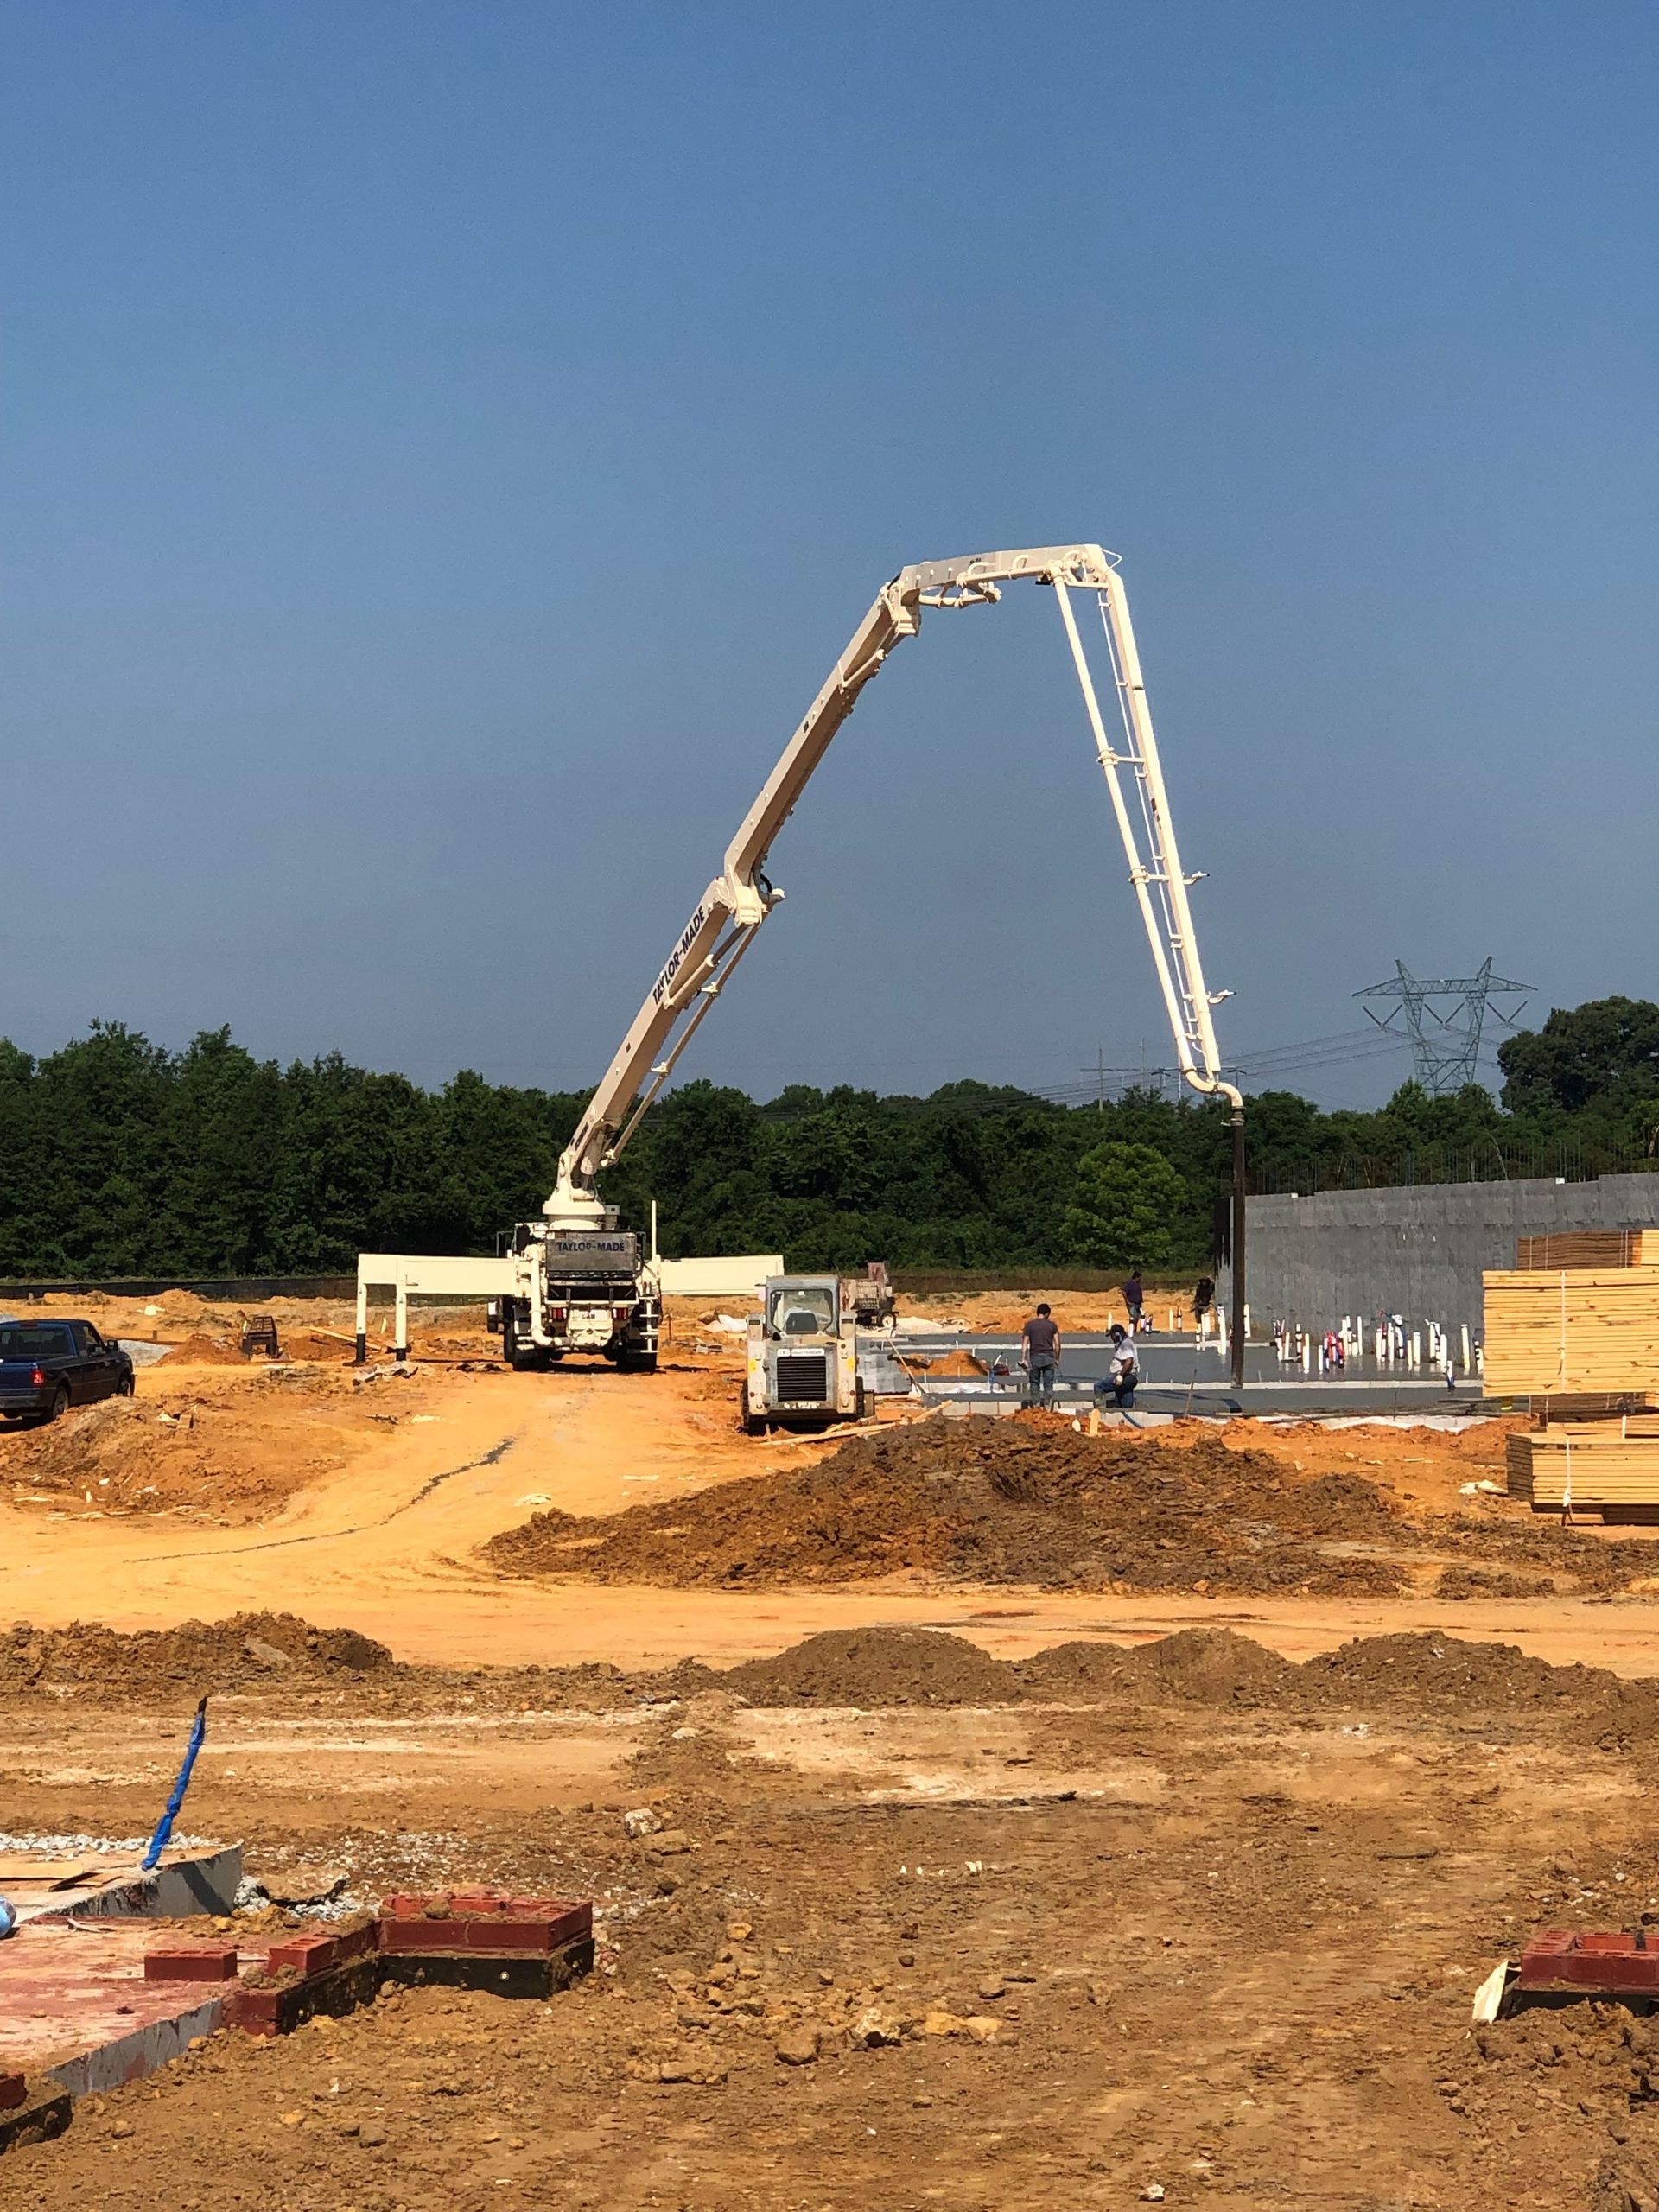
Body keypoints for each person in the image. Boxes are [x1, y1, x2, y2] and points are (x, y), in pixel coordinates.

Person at [1020, 1302, 1061, 1405]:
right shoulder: (1052, 1325)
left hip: (1035, 1357)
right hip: (1049, 1358)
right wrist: (1057, 1358)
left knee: (1034, 1383)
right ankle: (1047, 1406)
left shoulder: (1029, 1325)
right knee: (1048, 1384)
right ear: (1047, 1314)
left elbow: (1025, 1343)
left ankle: (1036, 1405)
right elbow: (1057, 1344)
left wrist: (1023, 1359)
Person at [1096, 1322, 1139, 1408]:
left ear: (1117, 1335)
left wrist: (1120, 1376)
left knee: (1099, 1386)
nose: (1111, 1339)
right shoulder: (1123, 1343)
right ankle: (1125, 1406)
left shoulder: (1126, 1344)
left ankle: (1100, 1410)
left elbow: (1129, 1361)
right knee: (1126, 1405)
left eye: (1112, 1336)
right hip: (1129, 1378)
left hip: (1126, 1377)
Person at [1121, 1268, 1145, 1334]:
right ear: (1136, 1277)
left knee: (1137, 1318)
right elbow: (1124, 1292)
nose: (1140, 1279)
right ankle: (1131, 1331)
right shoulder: (1130, 1284)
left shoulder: (1138, 1285)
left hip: (1138, 1304)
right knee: (1134, 1317)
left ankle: (1134, 1331)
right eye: (1139, 1277)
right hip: (1132, 1304)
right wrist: (1127, 1301)